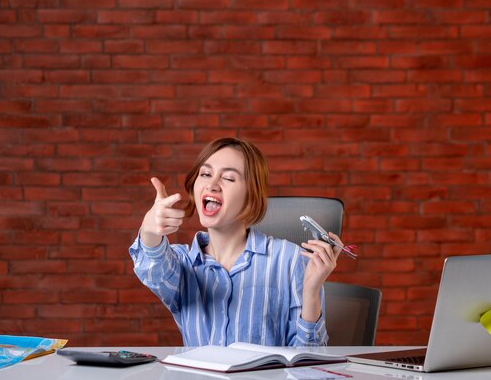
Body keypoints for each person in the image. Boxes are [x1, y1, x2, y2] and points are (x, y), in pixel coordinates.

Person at [128, 137, 345, 346]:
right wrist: (149, 230)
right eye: (205, 174)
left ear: (251, 195)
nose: (212, 185)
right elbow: (153, 268)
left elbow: (309, 361)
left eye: (229, 178)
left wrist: (311, 294)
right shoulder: (182, 263)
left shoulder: (291, 260)